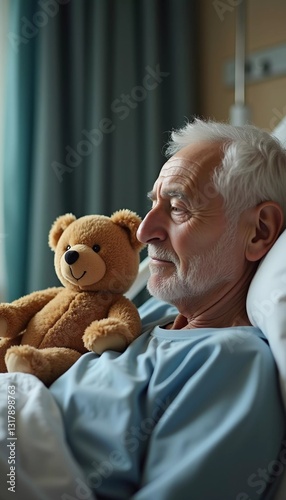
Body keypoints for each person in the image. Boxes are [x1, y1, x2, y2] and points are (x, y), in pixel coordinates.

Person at [1, 118, 286, 500]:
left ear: (259, 231)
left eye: (179, 207)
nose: (143, 230)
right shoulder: (149, 314)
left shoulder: (230, 362)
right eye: (154, 203)